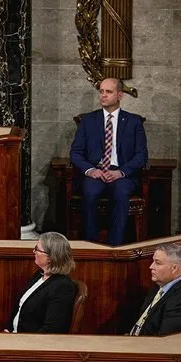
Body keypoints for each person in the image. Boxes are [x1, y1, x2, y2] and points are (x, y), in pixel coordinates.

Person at [70, 77, 148, 246]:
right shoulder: (88, 121)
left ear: (120, 95)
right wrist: (91, 170)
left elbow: (141, 156)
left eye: (109, 91)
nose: (103, 95)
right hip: (95, 172)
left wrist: (120, 172)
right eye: (101, 91)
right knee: (89, 192)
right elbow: (75, 153)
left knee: (121, 193)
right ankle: (91, 244)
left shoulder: (134, 122)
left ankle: (115, 245)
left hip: (122, 174)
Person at [5, 232, 77, 333]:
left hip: (31, 343)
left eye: (37, 249)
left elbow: (52, 329)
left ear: (51, 257)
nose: (33, 251)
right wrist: (8, 329)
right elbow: (19, 308)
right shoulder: (39, 275)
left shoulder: (62, 287)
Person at [129, 243, 181, 336]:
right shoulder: (160, 283)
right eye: (153, 261)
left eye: (158, 263)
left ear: (174, 268)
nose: (151, 267)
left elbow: (165, 340)